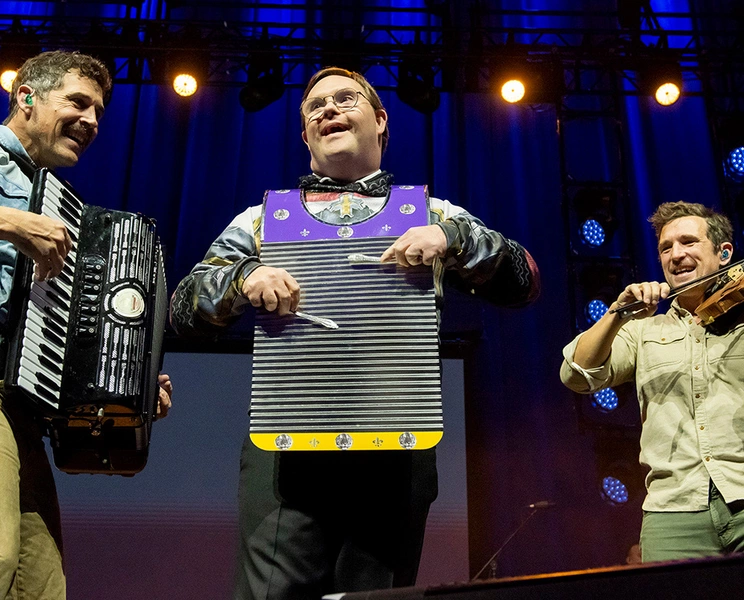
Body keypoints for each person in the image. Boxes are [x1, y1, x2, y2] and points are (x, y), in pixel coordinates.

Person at [170, 67, 539, 599]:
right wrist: (243, 276)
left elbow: (524, 282)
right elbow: (184, 306)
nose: (329, 109)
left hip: (397, 444)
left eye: (346, 99)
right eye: (315, 107)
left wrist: (453, 238)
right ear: (305, 135)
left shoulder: (433, 214)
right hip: (287, 445)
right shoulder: (260, 220)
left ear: (381, 120)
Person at [0, 50, 172, 599]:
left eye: (99, 112)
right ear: (26, 96)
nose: (91, 121)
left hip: (17, 406)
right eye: (78, 102)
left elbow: (51, 335)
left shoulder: (60, 210)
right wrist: (8, 221)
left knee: (39, 587)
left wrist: (131, 392)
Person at [560, 200, 744, 563]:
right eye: (666, 248)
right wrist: (618, 313)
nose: (676, 255)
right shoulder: (642, 331)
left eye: (689, 242)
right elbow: (575, 374)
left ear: (724, 253)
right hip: (673, 512)